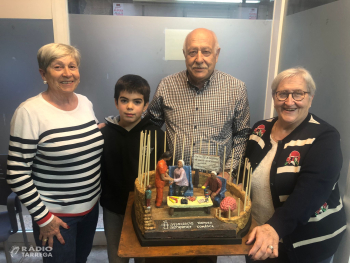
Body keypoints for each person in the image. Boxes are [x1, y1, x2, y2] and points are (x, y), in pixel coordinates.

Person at [6, 43, 104, 262]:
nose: (68, 73)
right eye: (58, 67)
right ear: (43, 73)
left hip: (90, 212)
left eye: (72, 66)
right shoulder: (29, 112)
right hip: (56, 218)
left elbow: (87, 136)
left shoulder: (85, 103)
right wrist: (44, 218)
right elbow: (16, 172)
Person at [244, 68, 346, 263]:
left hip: (307, 246)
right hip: (261, 235)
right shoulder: (260, 128)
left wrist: (274, 227)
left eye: (298, 94)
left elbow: (310, 193)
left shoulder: (325, 137)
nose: (289, 102)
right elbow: (244, 169)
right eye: (282, 94)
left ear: (310, 98)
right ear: (274, 97)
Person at [147, 28, 250, 178]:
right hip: (177, 179)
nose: (199, 59)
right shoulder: (166, 86)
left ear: (217, 54)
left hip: (216, 181)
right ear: (185, 54)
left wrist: (228, 172)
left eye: (206, 52)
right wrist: (118, 123)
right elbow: (149, 122)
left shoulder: (236, 88)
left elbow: (242, 135)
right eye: (192, 52)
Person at [99, 74, 164, 263]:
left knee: (144, 257)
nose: (129, 106)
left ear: (145, 106)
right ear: (116, 102)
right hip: (113, 208)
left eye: (137, 102)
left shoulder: (156, 135)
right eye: (124, 100)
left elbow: (161, 172)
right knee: (117, 255)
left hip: (145, 207)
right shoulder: (104, 134)